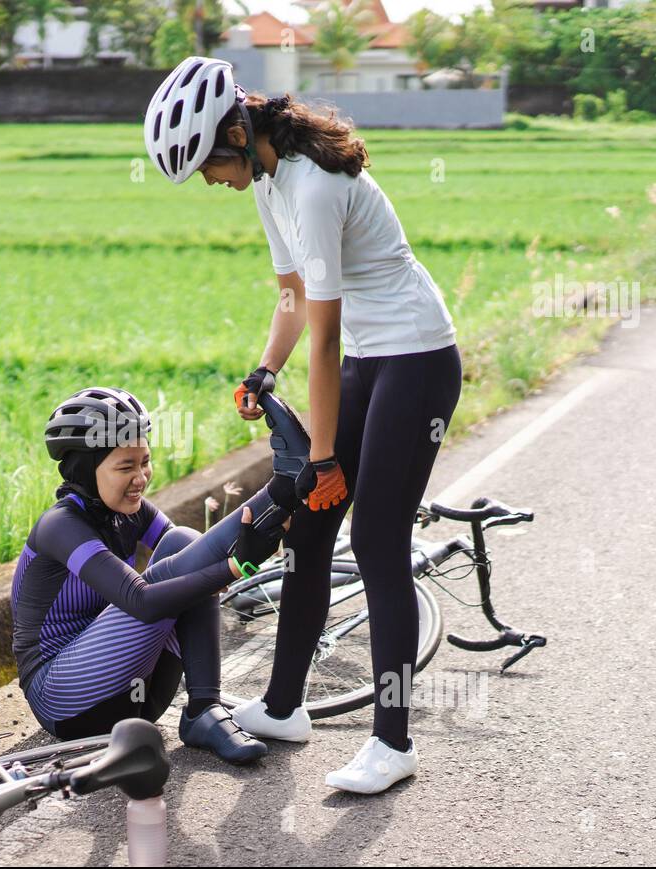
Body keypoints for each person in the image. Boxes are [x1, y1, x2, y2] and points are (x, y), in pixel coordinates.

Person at [144, 57, 464, 794]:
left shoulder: (315, 186)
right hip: (370, 360)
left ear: (234, 132)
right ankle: (284, 707)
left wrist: (321, 458)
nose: (209, 181)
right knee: (311, 530)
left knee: (377, 541)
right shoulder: (269, 180)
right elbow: (292, 297)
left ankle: (393, 742)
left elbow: (325, 337)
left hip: (416, 358)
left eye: (206, 164)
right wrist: (264, 369)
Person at [11, 385, 305, 764]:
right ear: (86, 469)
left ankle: (204, 708)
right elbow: (143, 603)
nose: (141, 477)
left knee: (183, 540)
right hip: (64, 701)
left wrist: (231, 562)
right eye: (125, 467)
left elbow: (195, 558)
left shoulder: (129, 511)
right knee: (164, 579)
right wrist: (235, 566)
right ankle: (283, 484)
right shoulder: (60, 526)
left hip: (140, 701)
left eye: (144, 462)